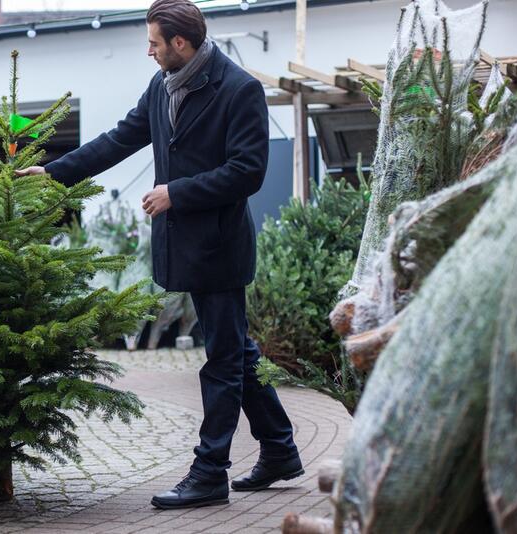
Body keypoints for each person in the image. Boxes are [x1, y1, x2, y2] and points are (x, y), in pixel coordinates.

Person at [15, 0, 303, 510]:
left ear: (181, 44)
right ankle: (279, 449)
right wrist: (56, 172)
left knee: (222, 361)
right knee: (236, 347)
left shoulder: (240, 89)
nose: (148, 51)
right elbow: (121, 138)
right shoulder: (161, 86)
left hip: (219, 246)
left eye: (154, 42)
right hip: (183, 244)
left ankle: (210, 471)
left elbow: (248, 171)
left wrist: (177, 191)